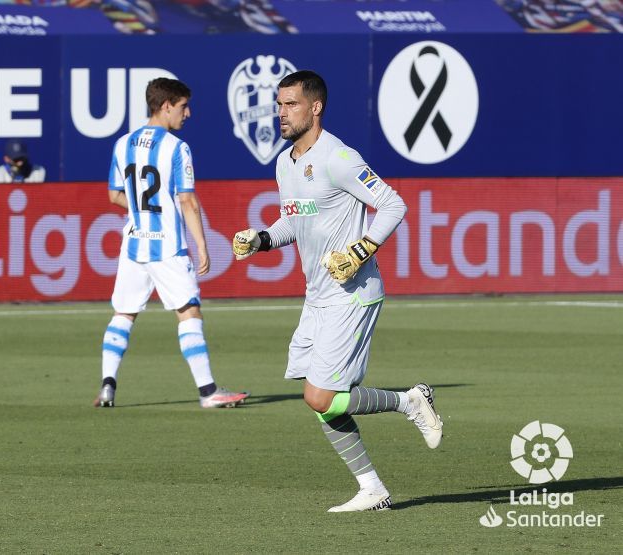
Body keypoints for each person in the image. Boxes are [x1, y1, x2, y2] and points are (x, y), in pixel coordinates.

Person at [231, 70, 443, 512]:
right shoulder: (285, 162)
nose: (281, 112)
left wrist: (362, 249)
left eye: (291, 104)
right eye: (279, 103)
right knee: (322, 401)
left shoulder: (339, 157)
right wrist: (263, 239)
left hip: (353, 291)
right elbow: (293, 220)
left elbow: (392, 203)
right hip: (318, 295)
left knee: (319, 395)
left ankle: (410, 401)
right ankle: (373, 489)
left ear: (315, 107)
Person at [95, 77, 249, 409]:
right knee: (189, 312)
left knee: (123, 314)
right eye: (183, 106)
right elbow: (188, 202)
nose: (188, 113)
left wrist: (141, 209)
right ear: (166, 106)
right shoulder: (177, 147)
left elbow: (113, 195)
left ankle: (108, 385)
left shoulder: (122, 144)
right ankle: (208, 392)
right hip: (166, 245)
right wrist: (203, 245)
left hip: (134, 242)